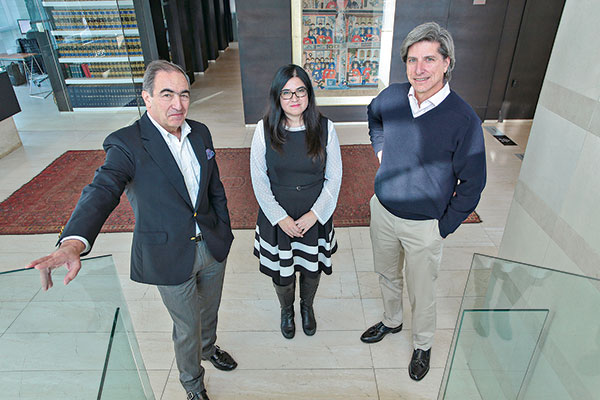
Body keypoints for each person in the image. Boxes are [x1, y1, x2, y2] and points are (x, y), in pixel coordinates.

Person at [27, 60, 237, 400]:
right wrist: (73, 242)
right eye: (167, 94)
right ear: (147, 98)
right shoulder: (126, 143)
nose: (178, 104)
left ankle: (208, 348)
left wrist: (224, 227)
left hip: (212, 244)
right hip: (168, 253)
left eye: (184, 95)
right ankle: (192, 384)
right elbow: (102, 189)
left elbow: (214, 187)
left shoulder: (200, 132)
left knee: (208, 312)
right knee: (186, 327)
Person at [361, 22, 486, 382]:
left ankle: (423, 344)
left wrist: (442, 226)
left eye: (429, 59)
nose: (419, 69)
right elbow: (374, 117)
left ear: (447, 63)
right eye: (412, 60)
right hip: (383, 211)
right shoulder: (393, 97)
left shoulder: (464, 119)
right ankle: (391, 321)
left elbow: (473, 183)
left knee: (422, 290)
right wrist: (383, 151)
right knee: (386, 275)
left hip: (424, 226)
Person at [250, 64, 342, 339]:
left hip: (314, 213)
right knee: (283, 271)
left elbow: (334, 177)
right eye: (287, 93)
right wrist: (280, 218)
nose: (294, 99)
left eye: (300, 91)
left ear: (309, 95)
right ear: (277, 97)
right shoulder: (263, 129)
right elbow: (259, 179)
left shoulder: (326, 128)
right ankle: (287, 310)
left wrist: (315, 215)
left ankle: (306, 307)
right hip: (278, 215)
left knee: (311, 269)